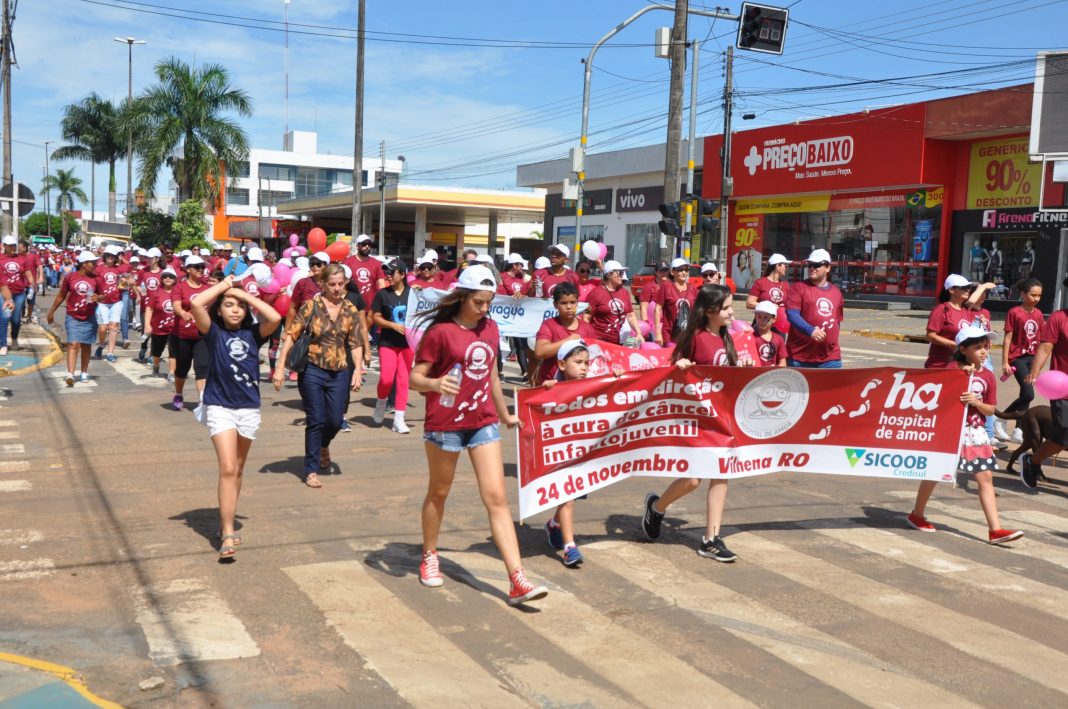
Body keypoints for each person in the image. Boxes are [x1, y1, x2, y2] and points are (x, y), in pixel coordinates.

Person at [409, 264, 547, 605]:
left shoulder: (492, 328)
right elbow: (415, 378)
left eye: (488, 302)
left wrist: (505, 415)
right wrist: (434, 384)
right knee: (439, 492)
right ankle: (429, 554)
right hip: (445, 424)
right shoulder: (441, 333)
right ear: (462, 298)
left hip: (483, 422)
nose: (485, 309)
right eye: (479, 303)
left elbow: (493, 376)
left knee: (497, 498)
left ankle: (517, 579)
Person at [642, 284, 750, 561]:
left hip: (721, 418)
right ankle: (657, 507)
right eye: (726, 308)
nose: (732, 312)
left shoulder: (726, 338)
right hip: (696, 418)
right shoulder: (696, 338)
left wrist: (743, 368)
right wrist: (680, 367)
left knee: (721, 474)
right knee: (692, 480)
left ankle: (711, 539)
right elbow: (671, 371)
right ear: (710, 311)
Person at [190, 274, 280, 558]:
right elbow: (196, 304)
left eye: (239, 306)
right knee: (228, 468)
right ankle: (228, 531)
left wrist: (245, 296)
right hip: (219, 406)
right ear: (219, 310)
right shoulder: (214, 333)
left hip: (248, 407)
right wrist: (226, 286)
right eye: (228, 305)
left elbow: (275, 317)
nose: (235, 310)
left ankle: (225, 519)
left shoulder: (254, 334)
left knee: (238, 469)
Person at [908, 326, 1023, 544]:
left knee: (985, 477)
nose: (983, 351)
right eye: (977, 347)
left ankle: (995, 530)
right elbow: (939, 397)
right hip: (951, 430)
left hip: (975, 433)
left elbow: (990, 409)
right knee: (935, 472)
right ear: (963, 349)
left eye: (985, 346)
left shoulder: (988, 376)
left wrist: (977, 402)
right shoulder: (952, 369)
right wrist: (960, 376)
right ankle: (917, 514)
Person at [274, 264, 364, 489]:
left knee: (335, 420)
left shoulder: (350, 309)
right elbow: (292, 335)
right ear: (322, 284)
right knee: (316, 420)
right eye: (332, 284)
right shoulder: (311, 306)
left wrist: (358, 370)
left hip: (340, 371)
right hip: (312, 369)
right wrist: (280, 367)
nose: (337, 288)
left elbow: (355, 343)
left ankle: (324, 445)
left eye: (341, 284)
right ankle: (311, 469)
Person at [541, 339, 593, 566]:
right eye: (578, 362)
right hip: (560, 454)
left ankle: (554, 524)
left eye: (586, 363)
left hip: (581, 452)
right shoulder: (554, 386)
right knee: (568, 498)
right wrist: (546, 391)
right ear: (562, 365)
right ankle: (569, 547)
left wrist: (617, 377)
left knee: (572, 497)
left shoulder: (593, 384)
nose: (584, 367)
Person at [370, 259, 413, 434]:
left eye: (391, 272)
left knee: (403, 380)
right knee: (386, 379)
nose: (388, 275)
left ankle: (399, 419)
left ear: (402, 274)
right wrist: (392, 325)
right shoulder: (382, 294)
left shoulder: (413, 294)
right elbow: (375, 317)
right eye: (386, 272)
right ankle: (381, 402)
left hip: (407, 344)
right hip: (387, 342)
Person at [999, 278, 1044, 443]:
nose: (1036, 299)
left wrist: (1038, 364)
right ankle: (1001, 417)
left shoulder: (1038, 314)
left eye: (1039, 296)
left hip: (1032, 357)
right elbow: (1007, 338)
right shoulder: (1014, 312)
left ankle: (1019, 429)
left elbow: (1041, 340)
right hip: (1017, 358)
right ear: (1023, 294)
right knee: (1028, 394)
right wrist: (1005, 362)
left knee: (1024, 394)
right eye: (1033, 295)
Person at [46, 251, 99, 386]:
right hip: (72, 315)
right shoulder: (70, 277)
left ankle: (84, 372)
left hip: (89, 316)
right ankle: (70, 374)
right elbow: (61, 295)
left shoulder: (96, 278)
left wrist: (98, 297)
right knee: (73, 344)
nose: (94, 265)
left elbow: (103, 295)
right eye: (92, 263)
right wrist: (51, 311)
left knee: (86, 344)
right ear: (83, 264)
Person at [784, 249, 844, 368]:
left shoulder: (837, 293)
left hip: (830, 357)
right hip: (799, 357)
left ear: (828, 268)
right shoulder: (798, 288)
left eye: (816, 265)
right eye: (810, 265)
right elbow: (792, 314)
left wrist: (831, 341)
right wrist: (810, 330)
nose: (812, 268)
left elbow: (837, 321)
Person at [170, 255, 212, 410]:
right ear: (188, 269)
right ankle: (178, 393)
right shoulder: (180, 287)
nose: (201, 269)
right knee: (182, 369)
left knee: (202, 367)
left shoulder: (207, 287)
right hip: (182, 335)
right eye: (197, 267)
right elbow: (176, 305)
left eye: (202, 267)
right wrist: (182, 312)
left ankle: (202, 401)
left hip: (202, 335)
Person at [533, 281, 597, 385]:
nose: (569, 307)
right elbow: (539, 352)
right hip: (552, 385)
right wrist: (568, 340)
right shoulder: (549, 325)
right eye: (563, 303)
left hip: (579, 386)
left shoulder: (587, 328)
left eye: (573, 302)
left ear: (577, 303)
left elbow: (596, 357)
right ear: (555, 304)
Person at [584, 260, 640, 344]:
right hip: (598, 340)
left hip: (617, 341)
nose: (622, 276)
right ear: (609, 275)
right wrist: (588, 339)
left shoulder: (624, 292)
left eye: (623, 273)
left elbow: (631, 316)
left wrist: (638, 333)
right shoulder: (595, 294)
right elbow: (586, 318)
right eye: (619, 273)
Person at [92, 245, 127, 362]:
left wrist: (125, 282)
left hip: (116, 301)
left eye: (112, 256)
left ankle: (110, 352)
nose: (110, 257)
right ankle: (102, 344)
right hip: (102, 302)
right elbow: (92, 282)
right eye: (108, 255)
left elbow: (128, 282)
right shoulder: (98, 268)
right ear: (104, 256)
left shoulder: (119, 269)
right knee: (103, 328)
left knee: (114, 326)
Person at [0, 235, 34, 355]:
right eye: (10, 246)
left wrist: (32, 286)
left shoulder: (22, 259)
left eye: (14, 245)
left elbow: (28, 274)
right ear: (4, 246)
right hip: (3, 294)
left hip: (19, 293)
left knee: (15, 320)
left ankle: (14, 337)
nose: (13, 248)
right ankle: (3, 344)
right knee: (4, 318)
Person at [654, 258, 697, 346]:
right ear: (672, 272)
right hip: (670, 335)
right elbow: (657, 309)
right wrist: (658, 333)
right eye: (680, 270)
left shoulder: (693, 288)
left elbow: (697, 311)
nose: (684, 272)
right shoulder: (666, 286)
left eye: (686, 270)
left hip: (688, 335)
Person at [144, 268, 179, 380]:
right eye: (165, 276)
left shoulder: (179, 292)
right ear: (162, 279)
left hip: (175, 328)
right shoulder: (156, 293)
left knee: (173, 351)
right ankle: (156, 365)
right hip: (158, 328)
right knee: (156, 352)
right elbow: (149, 309)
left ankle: (171, 373)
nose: (168, 278)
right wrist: (147, 324)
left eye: (170, 277)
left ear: (175, 280)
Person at [747, 253, 791, 334]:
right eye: (785, 266)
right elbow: (749, 303)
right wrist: (769, 307)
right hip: (761, 325)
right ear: (777, 266)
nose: (786, 268)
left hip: (779, 327)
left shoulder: (786, 285)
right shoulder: (760, 282)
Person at [342, 235, 388, 310]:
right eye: (364, 244)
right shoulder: (347, 262)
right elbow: (342, 284)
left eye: (369, 244)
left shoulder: (377, 263)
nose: (367, 246)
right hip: (352, 305)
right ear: (357, 246)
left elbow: (381, 285)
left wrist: (381, 303)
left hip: (372, 306)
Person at [753, 301, 787, 367]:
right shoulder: (750, 337)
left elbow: (783, 363)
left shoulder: (779, 339)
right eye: (759, 316)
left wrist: (775, 369)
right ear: (755, 317)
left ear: (774, 319)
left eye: (766, 317)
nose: (762, 320)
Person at [638, 262, 669, 329]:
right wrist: (646, 325)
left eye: (666, 270)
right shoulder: (648, 286)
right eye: (661, 271)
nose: (665, 273)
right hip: (654, 324)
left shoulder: (671, 285)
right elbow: (644, 308)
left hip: (668, 323)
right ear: (656, 272)